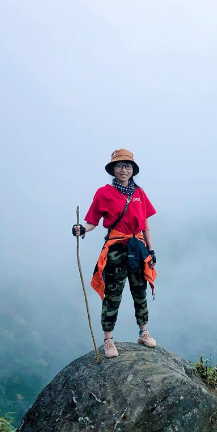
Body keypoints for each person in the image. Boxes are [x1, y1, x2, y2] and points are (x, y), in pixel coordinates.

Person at [72, 148, 157, 358]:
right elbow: (92, 220)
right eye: (119, 166)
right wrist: (82, 229)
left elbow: (145, 225)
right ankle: (108, 340)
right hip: (116, 248)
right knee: (113, 294)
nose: (124, 170)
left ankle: (143, 332)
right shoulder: (104, 193)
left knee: (140, 291)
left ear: (133, 170)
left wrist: (151, 251)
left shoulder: (139, 193)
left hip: (138, 247)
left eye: (128, 166)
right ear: (113, 169)